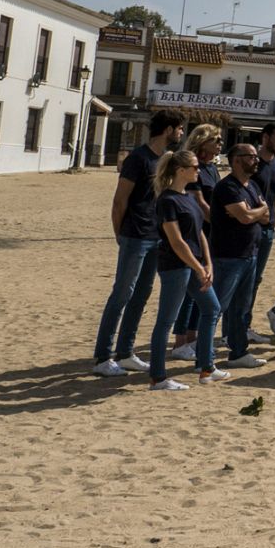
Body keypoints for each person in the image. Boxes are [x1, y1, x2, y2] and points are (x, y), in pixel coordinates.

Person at [92, 108, 184, 376]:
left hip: (156, 237)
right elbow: (120, 200)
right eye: (179, 129)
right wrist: (119, 234)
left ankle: (125, 352)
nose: (180, 134)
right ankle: (102, 357)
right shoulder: (139, 159)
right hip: (135, 236)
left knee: (141, 296)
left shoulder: (166, 161)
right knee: (122, 294)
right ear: (168, 130)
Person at [146, 149, 225, 390]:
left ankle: (206, 367)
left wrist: (207, 263)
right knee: (166, 321)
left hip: (194, 264)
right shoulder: (167, 200)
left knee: (212, 308)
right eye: (193, 167)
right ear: (180, 170)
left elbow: (200, 232)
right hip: (176, 266)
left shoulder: (188, 197)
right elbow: (176, 241)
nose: (198, 170)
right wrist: (198, 267)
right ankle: (158, 377)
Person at [207, 141, 270, 370]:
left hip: (250, 254)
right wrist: (257, 211)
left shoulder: (251, 186)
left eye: (255, 157)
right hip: (228, 255)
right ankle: (204, 355)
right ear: (236, 160)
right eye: (251, 156)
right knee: (217, 306)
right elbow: (245, 217)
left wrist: (256, 212)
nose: (256, 160)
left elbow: (265, 216)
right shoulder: (227, 187)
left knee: (241, 309)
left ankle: (238, 352)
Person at [170, 123, 223, 360]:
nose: (220, 143)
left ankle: (192, 338)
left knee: (203, 288)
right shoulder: (193, 168)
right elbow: (199, 204)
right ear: (203, 141)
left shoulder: (211, 168)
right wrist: (224, 223)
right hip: (197, 234)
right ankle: (180, 341)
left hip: (211, 234)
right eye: (216, 139)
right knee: (191, 290)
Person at [246, 122, 275, 340]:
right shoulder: (252, 164)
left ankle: (245, 325)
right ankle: (233, 328)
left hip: (269, 230)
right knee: (243, 279)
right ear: (265, 138)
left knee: (256, 279)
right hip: (249, 228)